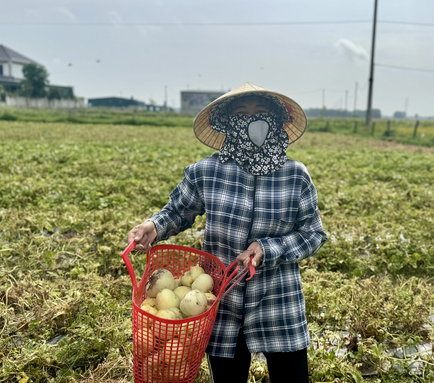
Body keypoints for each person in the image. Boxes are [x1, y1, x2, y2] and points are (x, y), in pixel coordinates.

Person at [127, 83, 327, 383]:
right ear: (226, 121)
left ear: (274, 118)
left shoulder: (295, 175)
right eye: (240, 113)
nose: (251, 120)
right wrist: (153, 226)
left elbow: (313, 234)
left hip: (278, 300)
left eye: (260, 112)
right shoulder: (205, 172)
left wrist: (268, 248)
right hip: (219, 302)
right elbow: (177, 212)